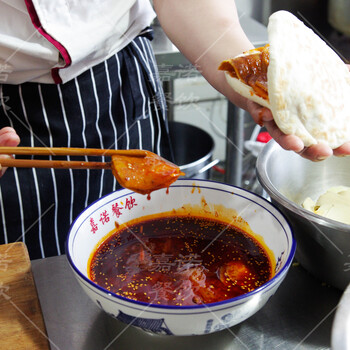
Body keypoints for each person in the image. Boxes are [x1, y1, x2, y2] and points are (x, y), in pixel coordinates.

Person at [0, 0, 349, 259]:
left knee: (146, 244)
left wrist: (257, 83)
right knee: (25, 276)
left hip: (116, 80)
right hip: (9, 101)